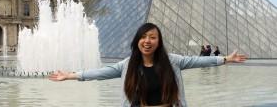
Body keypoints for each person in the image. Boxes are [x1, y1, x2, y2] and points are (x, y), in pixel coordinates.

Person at [49, 23, 247, 107]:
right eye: (143, 37)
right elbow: (100, 72)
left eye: (152, 37)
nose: (147, 41)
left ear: (158, 41)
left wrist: (225, 59)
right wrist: (71, 75)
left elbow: (197, 60)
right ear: (137, 40)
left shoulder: (173, 61)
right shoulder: (128, 65)